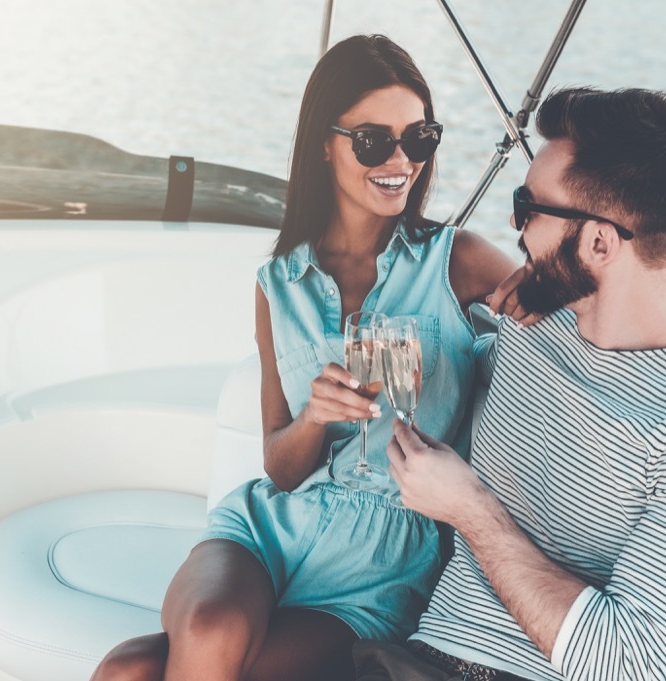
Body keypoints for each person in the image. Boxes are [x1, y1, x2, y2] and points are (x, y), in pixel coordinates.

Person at [90, 34, 526, 681]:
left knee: (131, 669)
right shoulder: (279, 284)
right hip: (269, 529)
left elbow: (565, 317)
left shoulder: (456, 260)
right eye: (376, 141)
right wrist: (315, 417)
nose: (401, 160)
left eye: (420, 138)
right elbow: (279, 464)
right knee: (210, 628)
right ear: (326, 144)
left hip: (383, 558)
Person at [355, 87, 666, 681]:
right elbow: (441, 384)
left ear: (598, 242)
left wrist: (471, 509)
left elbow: (628, 663)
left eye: (528, 207)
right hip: (410, 655)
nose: (514, 227)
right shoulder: (534, 326)